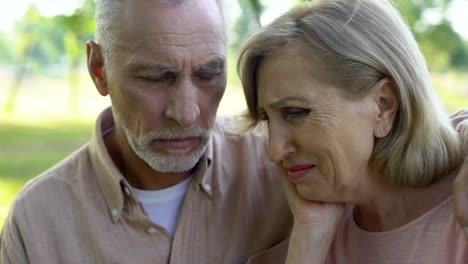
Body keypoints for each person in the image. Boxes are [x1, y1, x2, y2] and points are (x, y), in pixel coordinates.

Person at [0, 0, 467, 263]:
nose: (186, 112)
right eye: (155, 77)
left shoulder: (304, 170)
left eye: (207, 75)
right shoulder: (37, 224)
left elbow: (423, 133)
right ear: (100, 70)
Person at [237, 0, 468, 263]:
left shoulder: (460, 210)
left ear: (383, 105)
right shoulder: (306, 236)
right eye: (266, 117)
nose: (274, 150)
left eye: (296, 112)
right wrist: (310, 238)